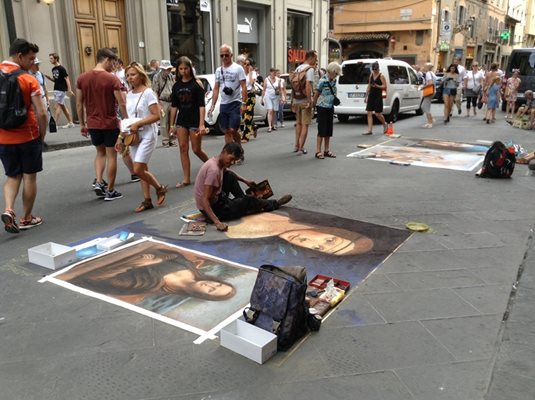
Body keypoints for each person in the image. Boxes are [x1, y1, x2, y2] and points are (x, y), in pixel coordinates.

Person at [58, 242, 236, 305]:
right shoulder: (191, 269)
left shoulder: (145, 286)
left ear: (203, 296)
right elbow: (168, 252)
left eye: (211, 291)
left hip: (106, 259)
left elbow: (93, 278)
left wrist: (137, 262)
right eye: (218, 284)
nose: (211, 285)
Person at [0, 38, 47, 233]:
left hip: (3, 138)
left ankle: (9, 209)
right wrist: (41, 137)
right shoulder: (28, 79)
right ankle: (27, 217)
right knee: (29, 177)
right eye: (31, 58)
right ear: (19, 56)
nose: (33, 62)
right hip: (28, 136)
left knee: (12, 176)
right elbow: (42, 113)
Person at [194, 142, 292, 232]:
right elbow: (204, 199)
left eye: (235, 161)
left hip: (218, 199)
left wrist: (245, 181)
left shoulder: (216, 161)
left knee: (230, 176)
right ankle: (274, 204)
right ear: (224, 152)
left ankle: (243, 202)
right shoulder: (214, 170)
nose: (232, 163)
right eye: (231, 159)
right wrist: (217, 222)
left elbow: (228, 172)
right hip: (215, 209)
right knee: (248, 199)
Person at [115, 62, 168, 212]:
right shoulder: (130, 94)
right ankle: (147, 200)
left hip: (147, 134)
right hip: (134, 135)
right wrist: (120, 138)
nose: (130, 78)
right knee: (142, 168)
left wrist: (139, 124)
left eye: (133, 74)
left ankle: (159, 188)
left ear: (141, 75)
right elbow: (129, 119)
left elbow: (156, 115)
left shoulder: (148, 93)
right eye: (128, 76)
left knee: (137, 169)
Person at [76, 48, 126, 201]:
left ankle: (99, 181)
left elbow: (79, 103)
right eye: (113, 62)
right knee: (112, 156)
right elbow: (121, 102)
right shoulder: (112, 79)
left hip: (92, 123)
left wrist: (82, 124)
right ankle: (110, 190)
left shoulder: (82, 78)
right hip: (109, 123)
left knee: (99, 153)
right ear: (106, 60)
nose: (114, 66)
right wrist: (127, 121)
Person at [225, 212, 374, 256]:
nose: (308, 242)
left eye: (317, 248)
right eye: (329, 241)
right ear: (332, 231)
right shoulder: (288, 215)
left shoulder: (245, 238)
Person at [169, 56, 209, 189]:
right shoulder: (176, 85)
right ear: (177, 70)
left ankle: (214, 166)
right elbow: (174, 106)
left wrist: (201, 123)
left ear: (190, 69)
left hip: (194, 120)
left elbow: (201, 105)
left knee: (196, 149)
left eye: (186, 68)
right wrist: (172, 125)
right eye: (181, 68)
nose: (183, 71)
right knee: (183, 148)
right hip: (182, 120)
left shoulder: (196, 84)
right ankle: (186, 178)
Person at [208, 45, 248, 159]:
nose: (224, 57)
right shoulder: (218, 70)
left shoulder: (238, 68)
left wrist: (244, 103)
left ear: (231, 55)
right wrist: (213, 105)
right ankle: (230, 155)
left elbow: (243, 86)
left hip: (235, 102)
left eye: (226, 54)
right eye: (222, 55)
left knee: (233, 129)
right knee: (226, 131)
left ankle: (239, 150)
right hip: (224, 104)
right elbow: (216, 88)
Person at [312, 61, 341, 159]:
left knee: (328, 130)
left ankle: (326, 150)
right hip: (322, 107)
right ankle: (318, 151)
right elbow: (316, 95)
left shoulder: (334, 80)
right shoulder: (322, 81)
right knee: (321, 130)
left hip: (330, 107)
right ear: (331, 71)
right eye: (336, 73)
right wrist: (313, 108)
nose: (337, 75)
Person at [291, 50, 317, 154]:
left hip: (297, 99)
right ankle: (301, 147)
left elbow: (293, 86)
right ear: (310, 57)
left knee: (298, 124)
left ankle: (296, 146)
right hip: (304, 101)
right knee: (305, 125)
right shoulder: (309, 69)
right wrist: (309, 100)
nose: (316, 60)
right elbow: (307, 85)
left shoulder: (298, 68)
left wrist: (293, 100)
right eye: (315, 58)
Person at [45, 52, 75, 128]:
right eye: (50, 58)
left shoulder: (61, 68)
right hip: (56, 89)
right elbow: (57, 80)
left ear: (56, 59)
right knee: (62, 106)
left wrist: (70, 90)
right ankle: (70, 122)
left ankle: (54, 124)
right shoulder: (53, 69)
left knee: (57, 106)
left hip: (61, 90)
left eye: (51, 58)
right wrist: (50, 78)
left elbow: (67, 79)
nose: (50, 60)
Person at [151, 59, 177, 147]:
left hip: (172, 101)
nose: (167, 71)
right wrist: (158, 104)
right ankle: (165, 140)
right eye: (165, 69)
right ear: (162, 69)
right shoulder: (157, 77)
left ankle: (172, 140)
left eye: (168, 69)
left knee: (172, 122)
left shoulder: (171, 76)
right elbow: (155, 91)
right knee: (163, 122)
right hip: (162, 101)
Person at [364, 61, 388, 135]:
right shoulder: (371, 75)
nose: (375, 71)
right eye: (373, 70)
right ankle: (369, 130)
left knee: (378, 113)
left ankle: (385, 124)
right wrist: (366, 96)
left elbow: (385, 86)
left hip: (378, 95)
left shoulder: (381, 76)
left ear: (378, 68)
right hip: (371, 95)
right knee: (369, 112)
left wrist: (377, 86)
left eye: (376, 70)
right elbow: (369, 85)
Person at [239, 58, 258, 142]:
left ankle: (246, 136)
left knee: (248, 116)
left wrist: (250, 72)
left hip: (250, 95)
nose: (246, 66)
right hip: (243, 96)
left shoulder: (253, 73)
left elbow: (251, 83)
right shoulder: (241, 73)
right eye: (244, 64)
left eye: (248, 64)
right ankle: (254, 126)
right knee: (243, 116)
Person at [261, 68, 282, 132]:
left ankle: (273, 125)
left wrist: (281, 97)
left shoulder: (278, 80)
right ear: (270, 72)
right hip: (268, 96)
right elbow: (264, 90)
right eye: (272, 72)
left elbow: (280, 89)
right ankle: (269, 126)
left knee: (274, 111)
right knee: (270, 110)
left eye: (275, 72)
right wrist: (262, 98)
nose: (274, 73)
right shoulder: (266, 79)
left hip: (276, 96)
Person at [420, 62, 436, 128]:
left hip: (429, 92)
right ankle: (431, 119)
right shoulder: (432, 73)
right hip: (433, 91)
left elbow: (430, 83)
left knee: (425, 107)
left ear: (427, 67)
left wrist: (423, 87)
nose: (423, 67)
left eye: (424, 66)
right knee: (425, 106)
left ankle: (430, 122)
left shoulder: (428, 74)